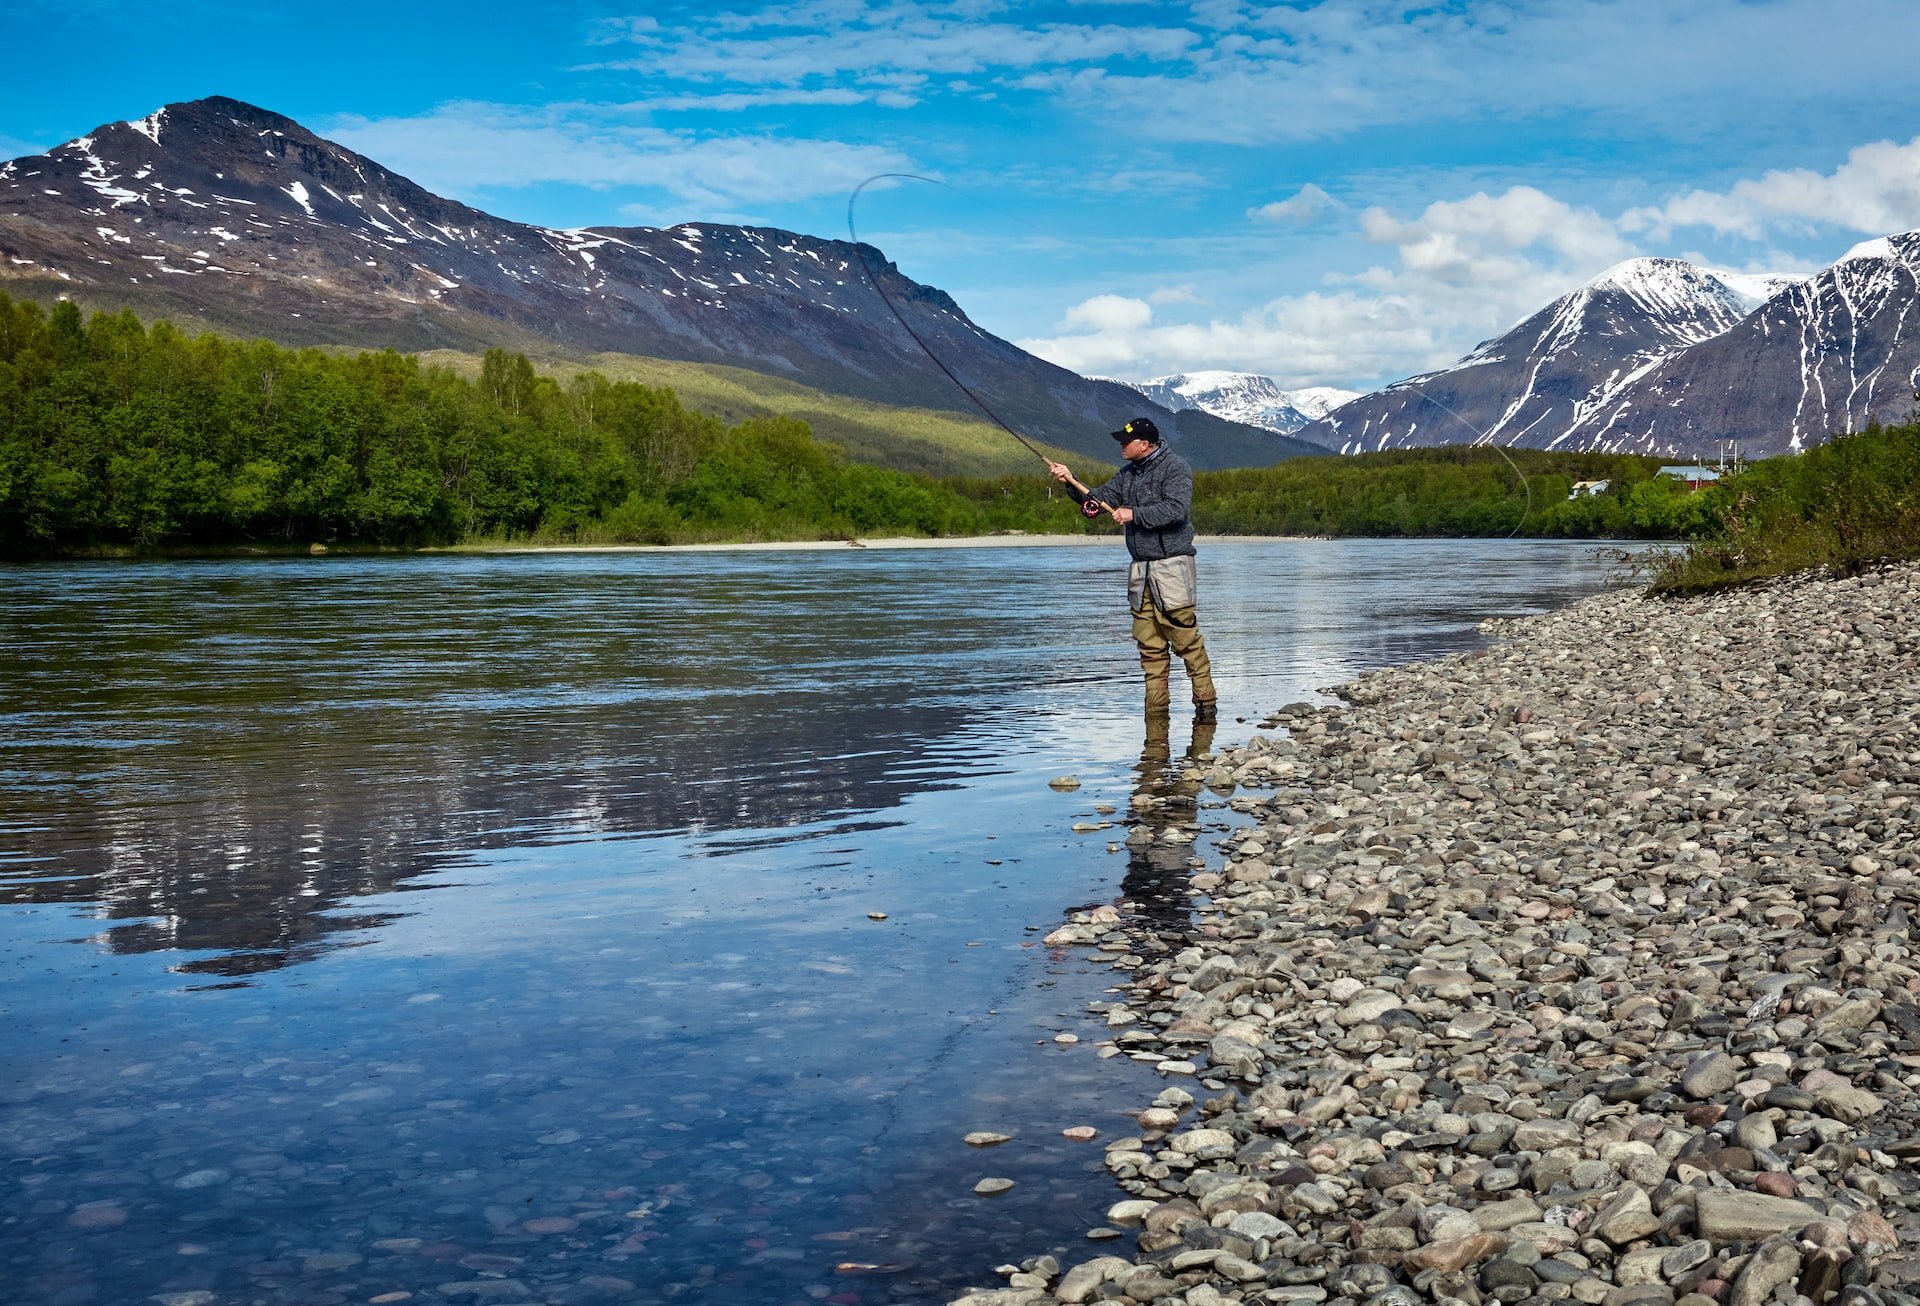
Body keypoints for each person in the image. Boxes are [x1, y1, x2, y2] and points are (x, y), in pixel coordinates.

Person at [1049, 417, 1218, 721]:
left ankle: (1206, 707)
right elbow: (1098, 499)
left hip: (1173, 566)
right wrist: (1070, 481)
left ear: (1144, 444)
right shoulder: (1128, 473)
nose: (1121, 446)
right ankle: (1156, 716)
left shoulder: (1175, 467)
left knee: (1186, 641)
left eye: (1126, 442)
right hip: (1141, 571)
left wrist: (1133, 514)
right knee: (1149, 647)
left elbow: (1177, 509)